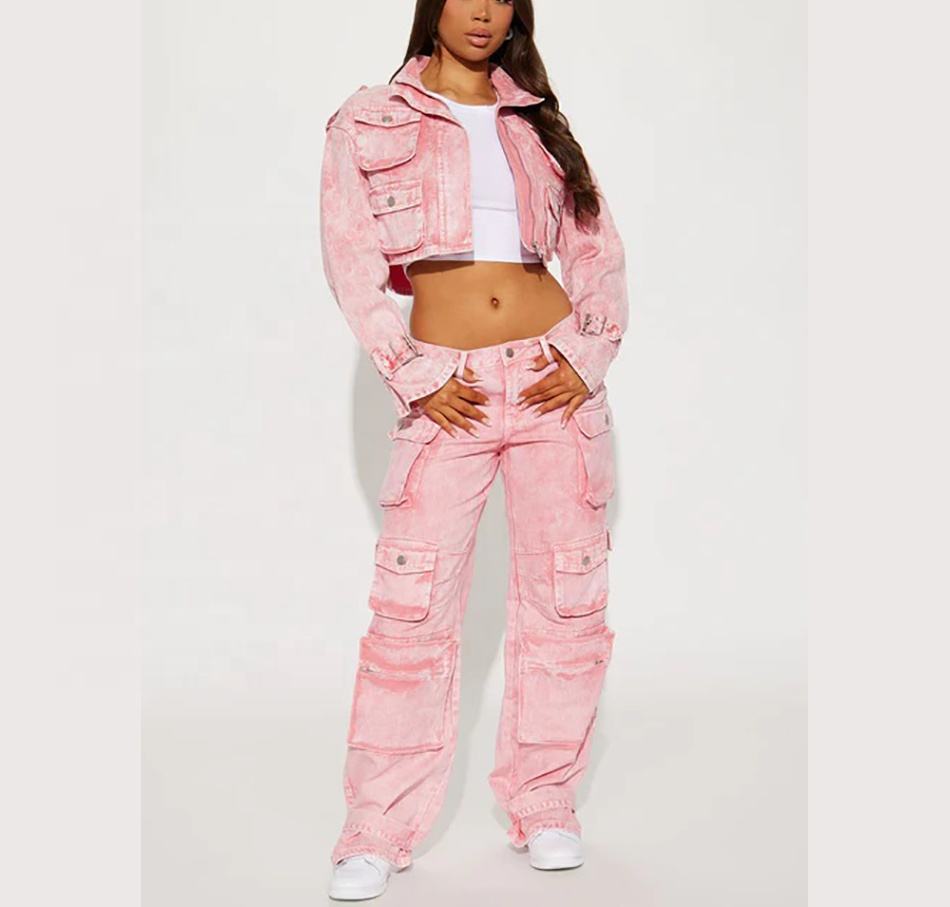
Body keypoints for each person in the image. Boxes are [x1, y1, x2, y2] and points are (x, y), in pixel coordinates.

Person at [318, 1, 628, 899]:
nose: (485, 10)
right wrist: (413, 372)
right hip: (445, 392)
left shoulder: (535, 122)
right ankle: (378, 823)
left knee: (566, 602)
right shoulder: (369, 118)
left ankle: (546, 799)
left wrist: (587, 355)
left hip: (550, 384)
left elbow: (597, 250)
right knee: (410, 609)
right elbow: (350, 259)